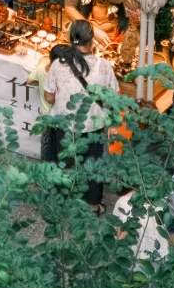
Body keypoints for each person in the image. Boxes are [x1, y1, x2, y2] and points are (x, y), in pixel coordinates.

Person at [42, 19, 118, 209]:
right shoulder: (104, 66)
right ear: (92, 41)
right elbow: (114, 97)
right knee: (92, 165)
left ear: (70, 39)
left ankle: (61, 202)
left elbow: (49, 97)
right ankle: (92, 204)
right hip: (93, 125)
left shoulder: (58, 65)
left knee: (62, 162)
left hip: (64, 125)